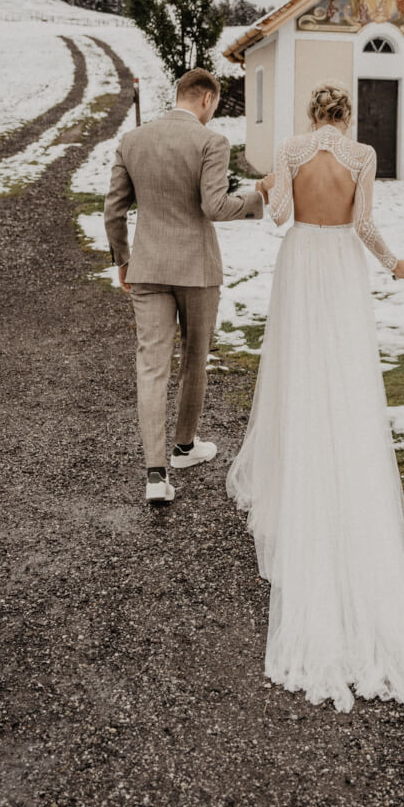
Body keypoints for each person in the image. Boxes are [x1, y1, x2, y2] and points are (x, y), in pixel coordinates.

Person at [226, 79, 404, 712]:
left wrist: (271, 185)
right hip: (343, 266)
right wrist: (397, 265)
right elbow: (367, 225)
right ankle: (340, 448)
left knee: (298, 362)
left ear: (309, 115)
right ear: (345, 116)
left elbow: (278, 219)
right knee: (343, 364)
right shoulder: (363, 156)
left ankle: (299, 455)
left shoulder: (292, 150)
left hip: (300, 261)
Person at [104, 68, 264, 504]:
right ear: (208, 100)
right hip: (197, 269)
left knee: (151, 366)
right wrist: (257, 198)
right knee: (195, 357)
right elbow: (214, 206)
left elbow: (113, 212)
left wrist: (122, 260)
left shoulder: (132, 140)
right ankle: (185, 447)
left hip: (148, 268)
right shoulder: (210, 142)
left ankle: (156, 475)